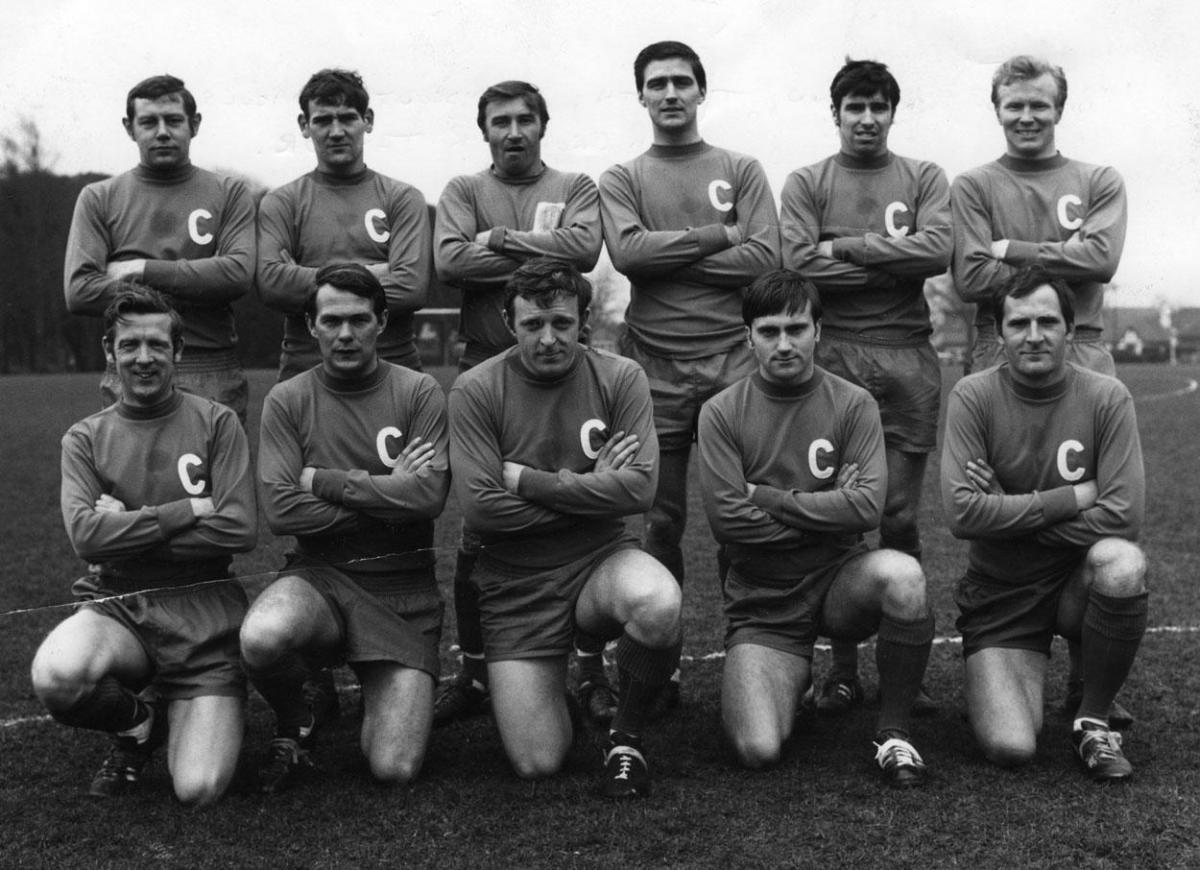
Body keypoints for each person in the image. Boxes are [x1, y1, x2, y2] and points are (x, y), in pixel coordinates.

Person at [448, 257, 681, 798]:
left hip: (600, 559)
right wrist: (593, 490)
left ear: (585, 321)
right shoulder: (475, 389)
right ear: (510, 324)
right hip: (516, 582)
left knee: (658, 600)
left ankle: (626, 738)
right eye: (533, 325)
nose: (549, 338)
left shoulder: (621, 376)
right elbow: (482, 510)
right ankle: (557, 701)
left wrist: (530, 481)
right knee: (538, 763)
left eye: (562, 323)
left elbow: (639, 492)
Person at [698, 269, 934, 788]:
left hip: (837, 583)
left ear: (818, 331)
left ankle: (893, 730)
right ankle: (792, 678)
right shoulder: (720, 412)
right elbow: (727, 522)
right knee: (756, 749)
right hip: (765, 601)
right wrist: (830, 510)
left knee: (903, 575)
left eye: (796, 329)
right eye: (769, 331)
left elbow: (869, 509)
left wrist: (768, 497)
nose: (784, 344)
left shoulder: (853, 403)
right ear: (748, 336)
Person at [950, 55, 1131, 726]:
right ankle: (1010, 636)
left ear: (1060, 109)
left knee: (1096, 502)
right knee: (999, 490)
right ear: (996, 109)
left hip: (1083, 339)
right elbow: (970, 278)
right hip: (999, 343)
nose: (1026, 117)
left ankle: (1088, 682)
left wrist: (1008, 249)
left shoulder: (1098, 179)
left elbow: (1103, 259)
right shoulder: (972, 184)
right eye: (1014, 105)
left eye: (1039, 105)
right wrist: (1059, 250)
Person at [599, 40, 780, 708]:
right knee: (664, 520)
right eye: (657, 83)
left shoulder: (741, 167)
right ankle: (661, 663)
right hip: (656, 366)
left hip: (738, 365)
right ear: (641, 96)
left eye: (682, 82)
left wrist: (666, 257)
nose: (670, 93)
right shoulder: (624, 177)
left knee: (747, 517)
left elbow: (767, 257)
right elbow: (626, 254)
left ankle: (756, 651)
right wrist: (719, 236)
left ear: (702, 91)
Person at [31, 286, 256, 804]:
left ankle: (197, 699)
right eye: (129, 345)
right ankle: (139, 724)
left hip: (205, 615)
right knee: (57, 677)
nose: (144, 357)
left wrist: (125, 528)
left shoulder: (217, 423)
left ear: (178, 352)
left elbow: (240, 530)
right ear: (110, 351)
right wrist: (184, 512)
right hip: (120, 608)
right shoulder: (84, 438)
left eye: (157, 344)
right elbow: (85, 537)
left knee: (199, 789)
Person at [433, 80, 609, 727]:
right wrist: (541, 248)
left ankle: (590, 666)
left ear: (543, 124)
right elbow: (450, 260)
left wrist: (499, 240)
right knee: (477, 527)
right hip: (485, 364)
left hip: (565, 369)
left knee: (584, 501)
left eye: (524, 119)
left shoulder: (576, 185)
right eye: (500, 121)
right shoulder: (461, 189)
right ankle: (475, 670)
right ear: (484, 131)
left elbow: (585, 254)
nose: (513, 131)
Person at [780, 59, 948, 718]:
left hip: (908, 356)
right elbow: (797, 263)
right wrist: (889, 256)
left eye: (879, 106)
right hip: (835, 358)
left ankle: (905, 669)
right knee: (839, 509)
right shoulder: (807, 180)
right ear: (836, 113)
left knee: (900, 516)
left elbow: (937, 251)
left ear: (893, 112)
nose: (867, 118)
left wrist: (843, 248)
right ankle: (842, 668)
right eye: (855, 106)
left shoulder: (924, 176)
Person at [241, 263, 449, 793]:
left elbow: (428, 498)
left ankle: (384, 689)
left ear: (382, 321)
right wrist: (387, 491)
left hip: (405, 590)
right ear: (311, 324)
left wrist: (328, 481)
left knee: (394, 768)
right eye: (331, 320)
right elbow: (282, 513)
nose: (346, 334)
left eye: (359, 319)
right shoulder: (288, 399)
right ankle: (301, 712)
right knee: (263, 636)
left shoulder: (420, 392)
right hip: (321, 577)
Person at [941, 266, 1147, 781]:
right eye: (1019, 323)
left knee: (1121, 562)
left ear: (1071, 331)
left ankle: (1093, 719)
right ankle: (1004, 685)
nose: (1033, 336)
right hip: (1001, 593)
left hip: (1074, 582)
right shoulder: (972, 394)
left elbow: (1124, 514)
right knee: (1011, 747)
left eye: (1047, 322)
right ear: (1000, 331)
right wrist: (1071, 499)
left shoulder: (1107, 397)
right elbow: (962, 514)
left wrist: (1007, 508)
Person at [64, 75, 255, 422]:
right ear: (129, 127)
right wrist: (200, 278)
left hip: (211, 365)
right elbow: (80, 292)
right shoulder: (99, 198)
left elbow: (237, 274)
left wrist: (140, 270)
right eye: (149, 122)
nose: (162, 131)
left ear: (194, 124)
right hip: (132, 365)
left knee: (219, 476)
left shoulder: (229, 193)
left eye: (174, 120)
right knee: (129, 477)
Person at [258, 68, 431, 381]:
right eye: (323, 120)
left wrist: (305, 276)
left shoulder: (403, 198)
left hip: (393, 366)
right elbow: (272, 284)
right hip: (306, 368)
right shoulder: (281, 202)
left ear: (368, 120)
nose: (336, 131)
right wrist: (374, 272)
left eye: (347, 118)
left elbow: (410, 288)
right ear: (304, 125)